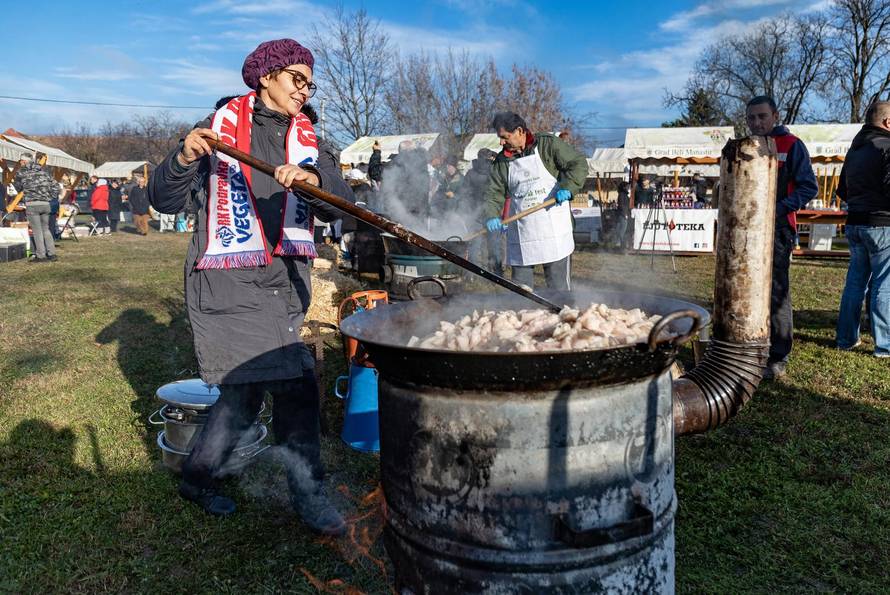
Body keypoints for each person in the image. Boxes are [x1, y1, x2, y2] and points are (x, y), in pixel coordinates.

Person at [148, 38, 354, 534]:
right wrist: (181, 158)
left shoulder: (310, 140)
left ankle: (197, 478)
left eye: (309, 82)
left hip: (284, 285)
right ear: (266, 76)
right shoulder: (218, 131)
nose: (304, 90)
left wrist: (312, 177)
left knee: (243, 395)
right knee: (298, 383)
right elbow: (163, 199)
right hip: (228, 282)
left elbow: (342, 203)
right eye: (296, 79)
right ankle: (310, 493)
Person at [745, 95, 818, 378]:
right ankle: (751, 343)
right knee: (748, 287)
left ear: (775, 116)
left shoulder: (791, 145)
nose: (756, 122)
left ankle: (778, 354)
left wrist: (776, 209)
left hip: (778, 229)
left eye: (762, 116)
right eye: (751, 117)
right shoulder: (746, 148)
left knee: (777, 289)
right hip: (748, 229)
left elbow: (808, 187)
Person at [483, 112, 587, 290]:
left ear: (519, 131)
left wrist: (568, 188)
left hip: (554, 230)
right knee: (522, 291)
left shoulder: (547, 144)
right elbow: (494, 193)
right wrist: (492, 215)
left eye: (504, 137)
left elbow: (578, 163)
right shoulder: (502, 161)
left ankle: (563, 315)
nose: (501, 143)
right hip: (522, 232)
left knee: (559, 289)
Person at [835, 100, 890, 357]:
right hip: (881, 225)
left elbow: (841, 191)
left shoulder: (854, 150)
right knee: (883, 285)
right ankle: (884, 345)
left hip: (855, 224)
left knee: (855, 284)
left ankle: (846, 338)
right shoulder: (887, 146)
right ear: (888, 122)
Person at [13, 152, 58, 262]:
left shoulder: (21, 173)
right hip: (45, 204)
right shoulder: (44, 172)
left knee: (37, 231)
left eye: (20, 161)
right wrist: (50, 197)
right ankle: (52, 254)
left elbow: (18, 187)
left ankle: (41, 256)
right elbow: (56, 186)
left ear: (24, 161)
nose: (20, 163)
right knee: (45, 229)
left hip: (32, 204)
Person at [461, 148, 501, 271]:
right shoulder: (494, 171)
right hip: (491, 212)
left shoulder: (471, 173)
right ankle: (496, 273)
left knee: (475, 245)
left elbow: (465, 194)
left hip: (476, 213)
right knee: (493, 245)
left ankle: (473, 273)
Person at [613, 181, 631, 251]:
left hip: (622, 214)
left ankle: (619, 244)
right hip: (623, 215)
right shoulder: (622, 194)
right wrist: (625, 214)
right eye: (627, 186)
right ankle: (621, 244)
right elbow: (622, 205)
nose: (628, 188)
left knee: (620, 230)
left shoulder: (623, 194)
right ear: (624, 187)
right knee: (622, 230)